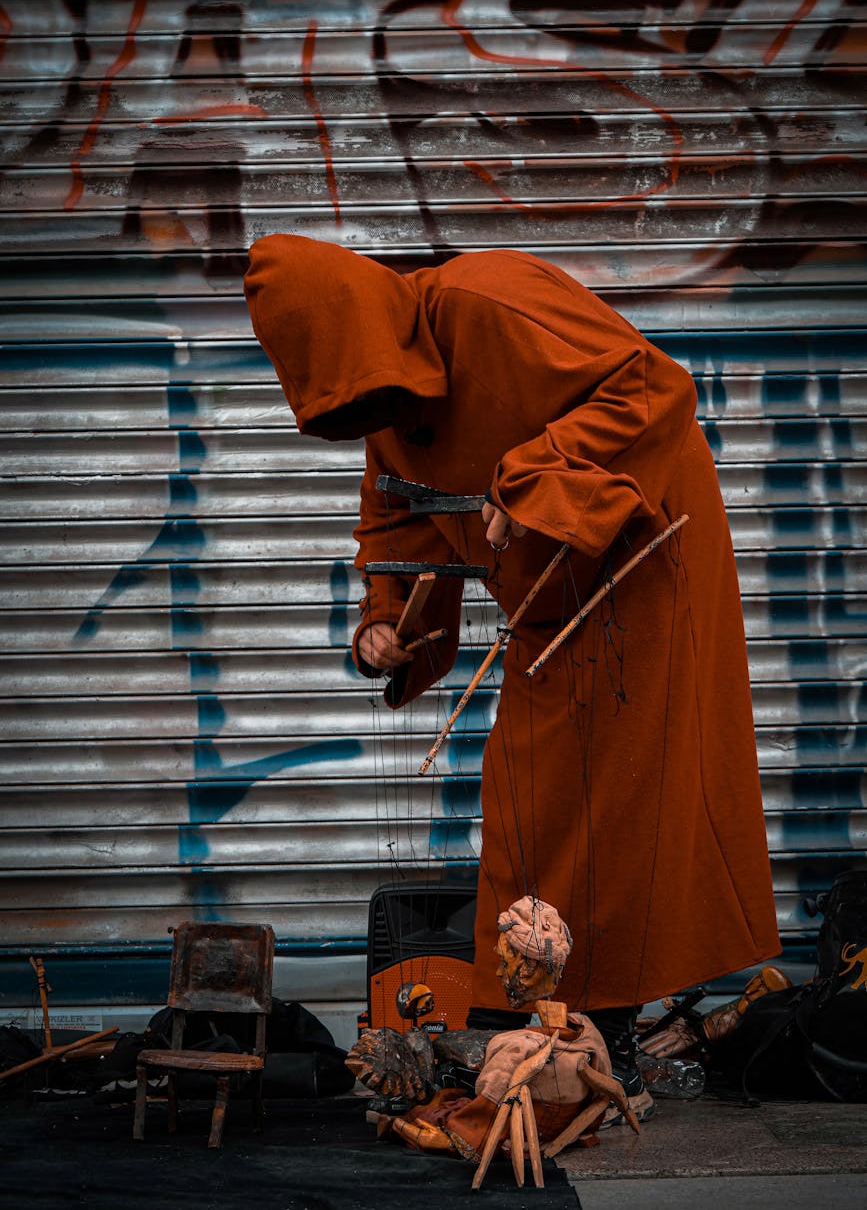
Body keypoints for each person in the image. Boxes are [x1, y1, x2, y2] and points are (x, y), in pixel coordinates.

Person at [244, 234, 781, 1119]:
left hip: (640, 564)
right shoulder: (384, 387)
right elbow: (396, 512)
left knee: (620, 792)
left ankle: (602, 1028)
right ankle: (521, 1012)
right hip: (541, 591)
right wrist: (386, 623)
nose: (379, 416)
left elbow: (654, 388)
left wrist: (537, 470)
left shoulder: (487, 300)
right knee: (524, 788)